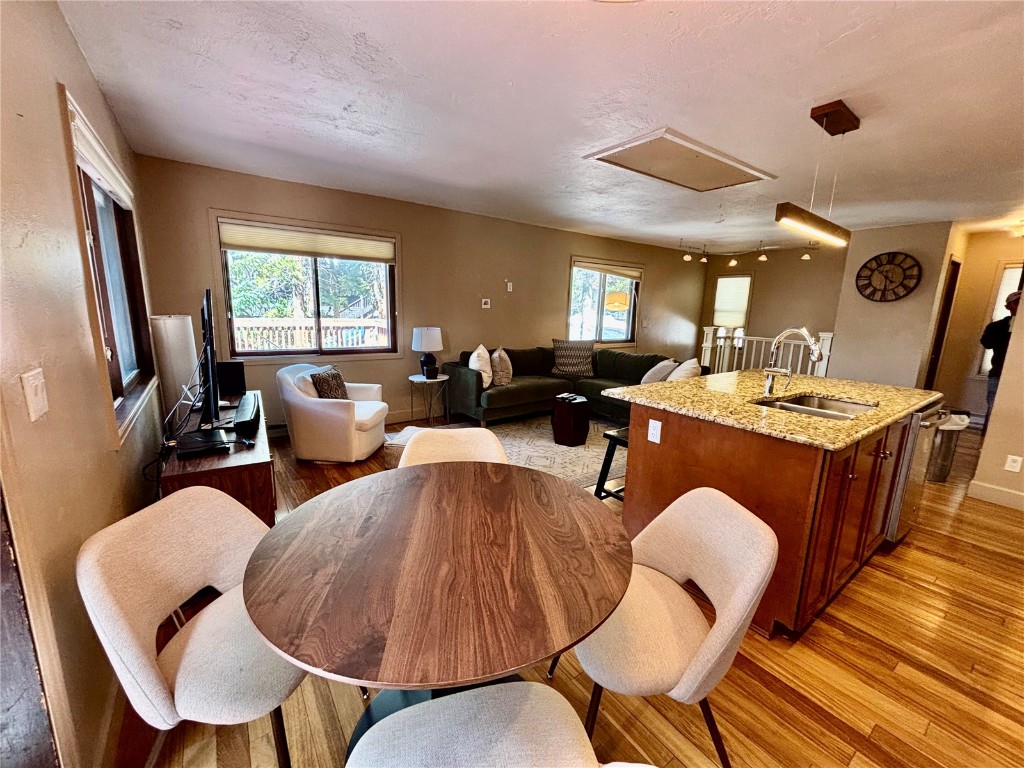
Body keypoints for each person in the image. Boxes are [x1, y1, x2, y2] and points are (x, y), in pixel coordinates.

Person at [980, 289, 1019, 433]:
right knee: (993, 407)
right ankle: (987, 438)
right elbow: (987, 343)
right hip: (997, 372)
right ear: (1008, 306)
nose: (1020, 306)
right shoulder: (997, 326)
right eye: (1016, 303)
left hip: (1018, 376)